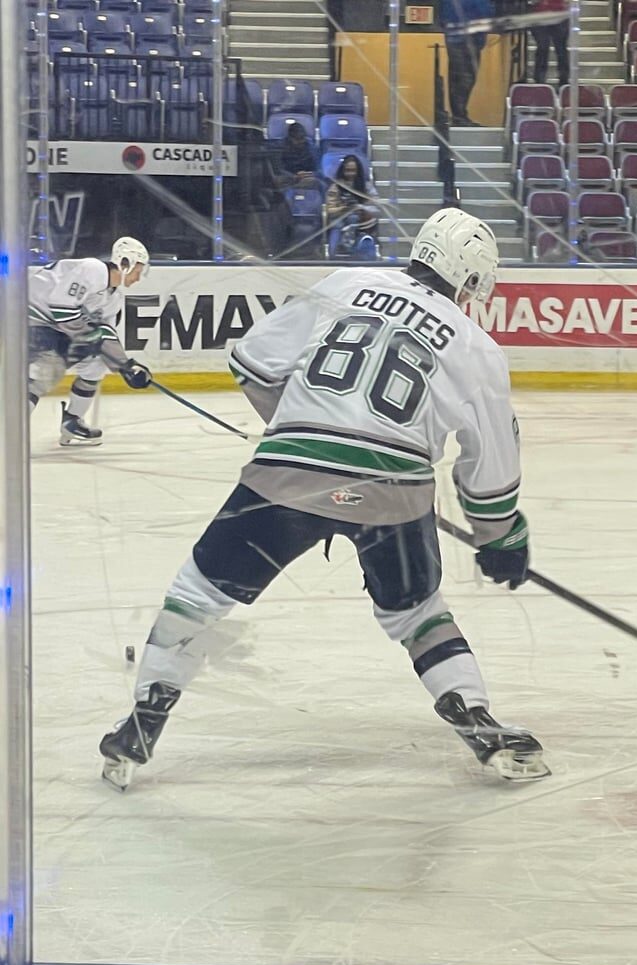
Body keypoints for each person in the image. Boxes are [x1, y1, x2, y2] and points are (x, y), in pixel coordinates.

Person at [98, 209, 550, 791]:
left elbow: (252, 360)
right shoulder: (477, 347)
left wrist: (297, 427)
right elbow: (490, 462)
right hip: (394, 495)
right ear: (469, 279)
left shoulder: (345, 283)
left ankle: (143, 721)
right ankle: (477, 716)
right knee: (417, 612)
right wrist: (499, 536)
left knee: (199, 594)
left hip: (286, 476)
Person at [28, 237, 153, 445]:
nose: (138, 278)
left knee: (96, 363)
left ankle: (72, 421)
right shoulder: (93, 269)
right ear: (124, 263)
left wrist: (127, 366)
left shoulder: (114, 299)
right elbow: (61, 307)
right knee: (46, 371)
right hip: (28, 316)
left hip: (56, 326)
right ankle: (8, 432)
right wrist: (91, 336)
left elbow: (106, 334)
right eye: (137, 271)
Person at [440, 0, 493, 127]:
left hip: (462, 35)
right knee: (464, 78)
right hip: (465, 35)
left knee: (463, 77)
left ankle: (459, 115)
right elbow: (484, 11)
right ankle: (459, 116)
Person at [324, 154, 379, 260]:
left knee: (354, 218)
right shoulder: (335, 188)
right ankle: (336, 253)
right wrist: (344, 208)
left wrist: (362, 208)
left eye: (353, 170)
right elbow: (330, 210)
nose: (350, 174)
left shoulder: (366, 187)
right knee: (339, 224)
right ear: (343, 170)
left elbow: (376, 206)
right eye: (347, 170)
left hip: (361, 224)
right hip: (339, 222)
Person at [531, 0, 569, 90]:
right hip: (539, 15)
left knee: (561, 49)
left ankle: (564, 81)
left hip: (559, 14)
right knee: (542, 47)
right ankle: (539, 81)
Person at [270, 120, 318, 190]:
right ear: (290, 138)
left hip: (305, 178)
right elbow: (278, 169)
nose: (301, 142)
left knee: (314, 182)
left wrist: (310, 174)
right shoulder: (279, 148)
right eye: (297, 139)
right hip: (288, 178)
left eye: (302, 139)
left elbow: (318, 168)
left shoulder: (310, 147)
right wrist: (294, 176)